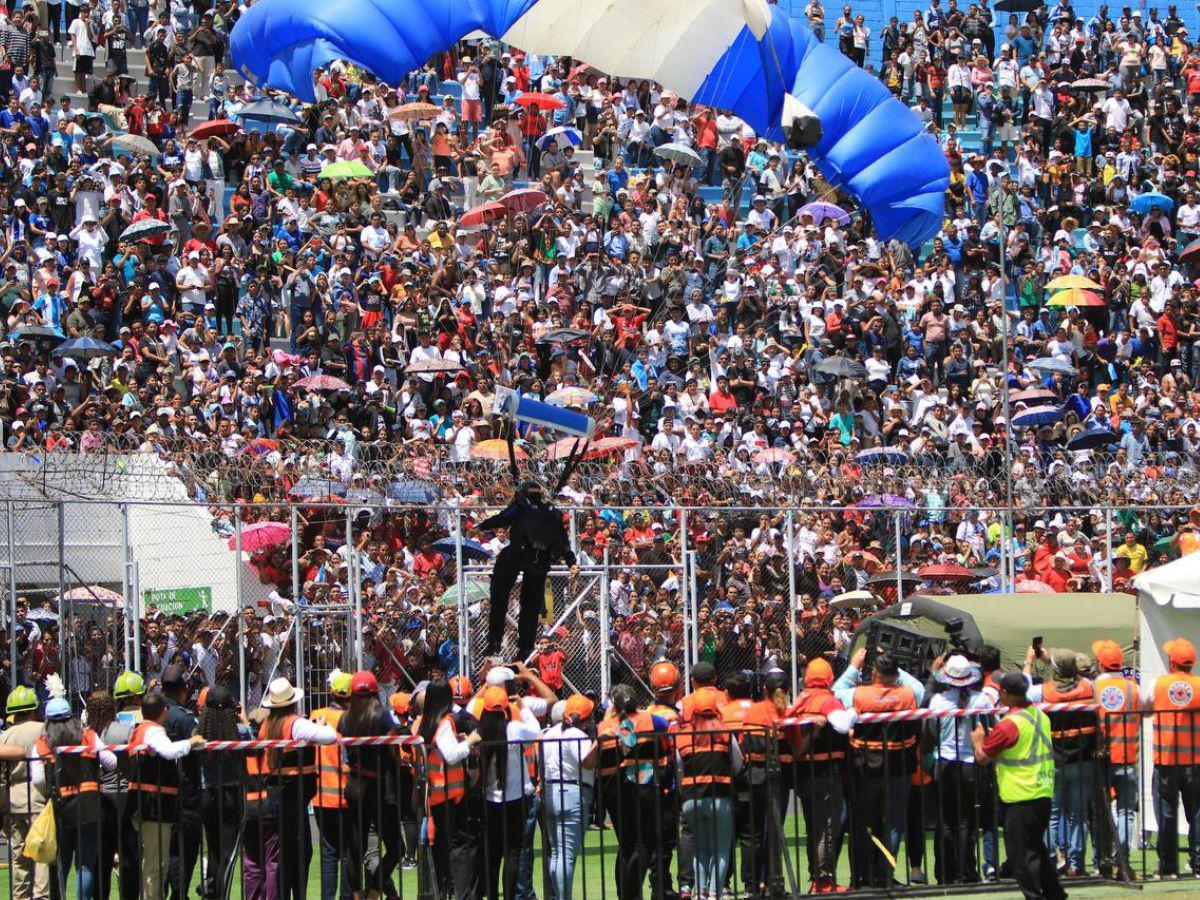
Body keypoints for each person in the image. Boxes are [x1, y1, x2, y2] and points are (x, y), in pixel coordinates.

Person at [834, 647, 923, 888]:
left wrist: (854, 665)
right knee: (894, 824)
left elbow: (835, 692)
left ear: (874, 672)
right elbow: (919, 687)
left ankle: (862, 877)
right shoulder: (908, 694)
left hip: (865, 769)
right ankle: (883, 875)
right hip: (899, 768)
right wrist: (895, 666)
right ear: (894, 674)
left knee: (863, 823)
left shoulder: (859, 695)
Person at [972, 672, 1066, 900]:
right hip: (1041, 791)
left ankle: (1034, 896)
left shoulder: (1009, 724)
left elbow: (983, 757)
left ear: (1004, 693)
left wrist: (978, 741)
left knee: (1021, 856)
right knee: (1035, 849)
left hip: (1020, 796)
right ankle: (1055, 894)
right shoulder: (1039, 715)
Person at [243, 677, 337, 900]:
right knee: (298, 854)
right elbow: (329, 736)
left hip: (280, 796)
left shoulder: (268, 725)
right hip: (293, 798)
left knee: (287, 854)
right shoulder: (293, 723)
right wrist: (320, 726)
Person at [477, 480, 576, 660]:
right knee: (530, 606)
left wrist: (482, 525)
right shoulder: (550, 512)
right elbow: (562, 539)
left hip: (516, 554)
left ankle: (495, 640)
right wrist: (571, 561)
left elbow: (503, 518)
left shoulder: (521, 506)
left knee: (499, 597)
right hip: (539, 560)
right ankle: (525, 647)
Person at [32, 697, 117, 900]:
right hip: (90, 806)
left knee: (60, 864)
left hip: (61, 809)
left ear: (48, 721)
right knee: (86, 864)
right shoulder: (89, 736)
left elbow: (37, 780)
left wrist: (51, 789)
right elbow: (111, 762)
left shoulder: (42, 744)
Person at [124, 691, 204, 900]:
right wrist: (192, 741)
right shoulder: (154, 731)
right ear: (164, 711)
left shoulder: (139, 729)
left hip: (143, 803)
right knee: (156, 864)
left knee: (150, 863)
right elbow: (168, 751)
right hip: (154, 806)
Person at [785, 659, 856, 894]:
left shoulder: (799, 701)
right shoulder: (827, 700)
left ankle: (817, 877)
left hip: (805, 774)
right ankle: (823, 880)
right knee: (827, 828)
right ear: (829, 678)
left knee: (814, 829)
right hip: (826, 774)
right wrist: (855, 712)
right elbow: (843, 724)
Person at [1026, 647, 1096, 877]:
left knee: (1053, 814)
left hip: (1054, 762)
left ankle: (1052, 861)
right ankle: (1076, 864)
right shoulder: (1089, 687)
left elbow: (1022, 689)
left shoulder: (1043, 692)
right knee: (1078, 815)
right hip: (1083, 760)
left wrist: (1030, 663)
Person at [925, 654, 991, 885]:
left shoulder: (938, 702)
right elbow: (989, 727)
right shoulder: (981, 699)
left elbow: (931, 732)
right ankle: (966, 872)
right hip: (970, 765)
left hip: (944, 762)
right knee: (966, 821)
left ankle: (946, 872)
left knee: (945, 821)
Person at [414, 677, 480, 899]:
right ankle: (457, 893)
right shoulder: (444, 722)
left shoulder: (426, 722)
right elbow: (451, 755)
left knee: (440, 848)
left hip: (437, 793)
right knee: (454, 847)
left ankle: (442, 891)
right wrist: (470, 741)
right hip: (448, 794)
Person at [674, 683, 742, 900]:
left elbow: (678, 768)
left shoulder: (683, 736)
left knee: (701, 848)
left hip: (691, 798)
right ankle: (714, 893)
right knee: (721, 849)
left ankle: (701, 893)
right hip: (720, 796)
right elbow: (738, 763)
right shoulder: (725, 734)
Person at [340, 669, 405, 897]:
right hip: (379, 788)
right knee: (396, 848)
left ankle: (360, 895)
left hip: (355, 785)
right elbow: (394, 751)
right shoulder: (383, 715)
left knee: (356, 848)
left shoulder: (345, 718)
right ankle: (374, 891)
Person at [1140, 637, 1200, 879]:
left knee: (1166, 812)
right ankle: (1198, 864)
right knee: (1196, 812)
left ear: (1171, 662)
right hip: (1195, 760)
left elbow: (1144, 709)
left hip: (1166, 761)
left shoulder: (1159, 684)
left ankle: (1168, 867)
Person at [476, 683, 541, 900]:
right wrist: (523, 707)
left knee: (493, 854)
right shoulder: (514, 728)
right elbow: (535, 730)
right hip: (515, 799)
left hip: (491, 799)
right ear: (505, 708)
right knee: (513, 853)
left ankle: (493, 895)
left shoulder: (480, 732)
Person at [540, 693, 597, 900]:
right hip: (572, 793)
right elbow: (587, 762)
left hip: (550, 791)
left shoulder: (549, 733)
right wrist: (601, 742)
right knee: (566, 855)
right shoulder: (577, 735)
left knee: (557, 852)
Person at [196, 686, 251, 900]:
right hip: (231, 795)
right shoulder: (240, 732)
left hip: (206, 795)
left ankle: (212, 893)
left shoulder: (198, 732)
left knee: (215, 850)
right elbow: (254, 740)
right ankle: (221, 894)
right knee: (228, 853)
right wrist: (244, 719)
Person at [1090, 640, 1139, 879]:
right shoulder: (1132, 688)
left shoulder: (1092, 688)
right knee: (1126, 812)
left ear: (1100, 664)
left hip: (1101, 758)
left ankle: (1103, 861)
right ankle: (1123, 859)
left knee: (1100, 811)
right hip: (1128, 756)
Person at [101, 670, 145, 900]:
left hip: (105, 796)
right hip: (130, 796)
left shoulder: (106, 728)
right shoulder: (143, 727)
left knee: (105, 855)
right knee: (131, 855)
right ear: (139, 697)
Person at [0, 686, 48, 900]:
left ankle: (19, 897)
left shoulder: (5, 736)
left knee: (18, 855)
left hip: (13, 796)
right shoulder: (42, 729)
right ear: (33, 709)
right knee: (40, 851)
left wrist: (3, 806)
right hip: (38, 795)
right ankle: (40, 896)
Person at [310, 671, 353, 900]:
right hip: (345, 795)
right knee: (347, 853)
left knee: (328, 854)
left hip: (320, 795)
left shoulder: (315, 715)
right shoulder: (348, 719)